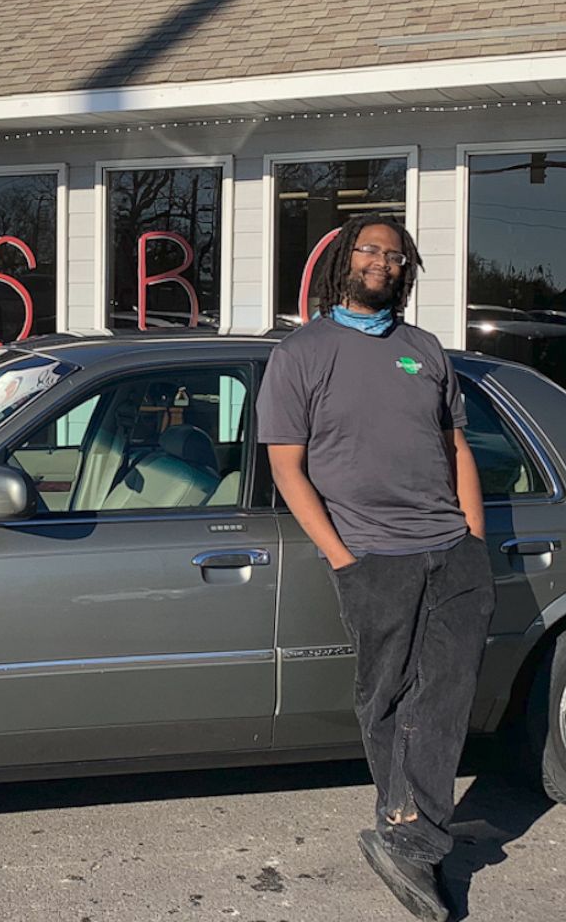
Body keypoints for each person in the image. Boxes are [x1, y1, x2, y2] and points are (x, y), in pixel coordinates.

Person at [255, 214, 495, 922]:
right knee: (385, 697)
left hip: (451, 552)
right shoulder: (302, 353)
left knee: (442, 699)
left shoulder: (426, 351)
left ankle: (414, 839)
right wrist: (343, 558)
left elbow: (457, 453)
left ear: (405, 269)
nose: (380, 262)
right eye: (368, 249)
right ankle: (403, 823)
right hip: (373, 556)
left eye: (393, 255)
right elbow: (286, 467)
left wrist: (473, 538)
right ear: (343, 261)